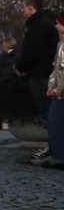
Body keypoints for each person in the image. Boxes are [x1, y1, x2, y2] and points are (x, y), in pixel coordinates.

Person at [16, 0, 58, 127]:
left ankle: (54, 144)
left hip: (40, 72)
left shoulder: (38, 25)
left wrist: (20, 66)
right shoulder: (46, 23)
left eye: (24, 7)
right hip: (46, 70)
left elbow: (32, 50)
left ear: (30, 7)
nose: (23, 10)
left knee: (46, 110)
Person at [41, 14, 64, 169]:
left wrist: (58, 90)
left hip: (61, 93)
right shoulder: (60, 44)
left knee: (56, 122)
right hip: (58, 92)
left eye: (58, 23)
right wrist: (51, 86)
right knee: (54, 122)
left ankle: (60, 157)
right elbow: (55, 69)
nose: (56, 26)